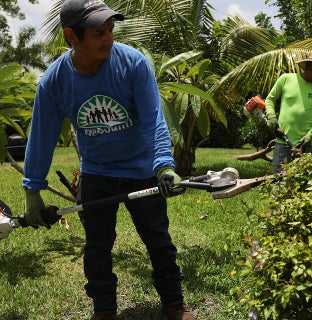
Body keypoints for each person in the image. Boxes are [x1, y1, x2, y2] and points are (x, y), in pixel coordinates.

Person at [20, 1, 195, 319]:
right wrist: (33, 191)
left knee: (158, 240)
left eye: (111, 30)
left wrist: (164, 165)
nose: (108, 38)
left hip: (141, 168)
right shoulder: (54, 81)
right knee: (97, 247)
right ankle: (104, 310)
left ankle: (174, 303)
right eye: (98, 33)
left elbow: (152, 118)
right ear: (72, 36)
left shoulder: (133, 63)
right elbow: (42, 136)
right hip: (96, 173)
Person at [264, 48, 312, 173]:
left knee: (305, 180)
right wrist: (271, 116)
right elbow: (270, 99)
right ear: (310, 65)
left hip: (307, 145)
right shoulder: (286, 79)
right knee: (279, 178)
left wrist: (310, 135)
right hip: (283, 140)